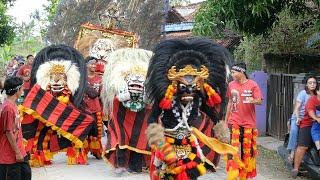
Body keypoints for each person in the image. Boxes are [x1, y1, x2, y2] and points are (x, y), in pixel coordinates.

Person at [145, 38, 237, 180]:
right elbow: (152, 119)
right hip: (168, 143)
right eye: (184, 87)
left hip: (188, 143)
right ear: (175, 84)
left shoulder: (198, 99)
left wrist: (221, 130)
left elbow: (213, 115)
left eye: (192, 88)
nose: (189, 92)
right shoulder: (166, 99)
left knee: (190, 173)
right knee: (166, 174)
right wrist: (159, 141)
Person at [101, 48, 153, 174]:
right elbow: (114, 97)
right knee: (121, 139)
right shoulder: (119, 80)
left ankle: (136, 166)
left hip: (141, 117)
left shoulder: (147, 80)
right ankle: (121, 165)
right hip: (122, 117)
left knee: (139, 139)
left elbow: (150, 100)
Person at [224, 62, 263, 180]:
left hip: (248, 124)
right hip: (234, 121)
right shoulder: (231, 85)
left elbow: (260, 101)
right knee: (232, 150)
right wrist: (226, 121)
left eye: (234, 72)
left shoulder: (253, 84)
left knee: (247, 151)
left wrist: (253, 101)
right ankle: (233, 175)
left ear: (241, 72)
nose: (232, 74)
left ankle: (244, 175)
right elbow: (230, 102)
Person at [0, 77, 31, 180]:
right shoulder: (8, 108)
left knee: (26, 174)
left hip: (19, 152)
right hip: (10, 156)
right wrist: (17, 152)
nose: (23, 90)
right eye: (22, 88)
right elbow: (9, 132)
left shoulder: (13, 105)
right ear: (17, 90)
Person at [292, 82, 320, 178]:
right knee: (303, 146)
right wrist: (316, 118)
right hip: (308, 123)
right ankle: (296, 168)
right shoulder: (312, 99)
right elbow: (310, 111)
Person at [287, 76, 318, 163]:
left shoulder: (317, 94)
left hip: (311, 118)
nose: (312, 84)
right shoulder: (303, 93)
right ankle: (292, 152)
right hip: (298, 117)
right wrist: (297, 118)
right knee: (294, 130)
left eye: (314, 83)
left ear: (316, 84)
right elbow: (297, 108)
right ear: (307, 84)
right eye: (310, 83)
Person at [83, 56, 103, 159]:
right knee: (84, 131)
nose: (93, 66)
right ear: (86, 65)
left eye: (95, 64)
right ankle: (83, 152)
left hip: (96, 108)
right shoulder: (82, 78)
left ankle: (96, 150)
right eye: (91, 63)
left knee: (96, 131)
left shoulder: (100, 78)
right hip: (83, 108)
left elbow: (101, 94)